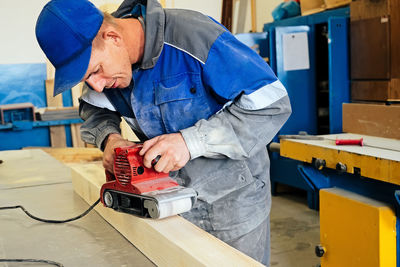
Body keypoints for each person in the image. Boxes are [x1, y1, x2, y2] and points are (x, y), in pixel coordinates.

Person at [36, 0, 291, 264]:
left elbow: (272, 105)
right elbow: (94, 108)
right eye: (87, 79)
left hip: (233, 207)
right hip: (168, 207)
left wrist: (189, 142)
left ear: (112, 37)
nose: (97, 86)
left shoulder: (193, 36)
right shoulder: (108, 70)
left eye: (96, 71)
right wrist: (109, 138)